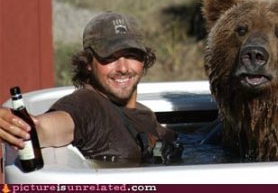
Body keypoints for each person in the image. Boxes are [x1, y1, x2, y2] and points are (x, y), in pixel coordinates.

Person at [0, 12, 183, 164]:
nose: (123, 68)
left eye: (131, 55)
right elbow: (46, 128)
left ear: (144, 60)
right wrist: (15, 125)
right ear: (88, 62)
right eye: (110, 57)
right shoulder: (86, 105)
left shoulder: (144, 113)